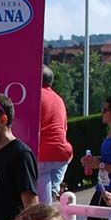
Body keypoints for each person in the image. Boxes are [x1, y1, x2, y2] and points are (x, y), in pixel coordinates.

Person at [36, 65, 73, 205]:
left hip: (44, 154)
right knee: (50, 195)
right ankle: (54, 192)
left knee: (43, 205)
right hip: (63, 155)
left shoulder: (36, 95)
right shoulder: (59, 99)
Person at [80, 95, 111, 196]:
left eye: (104, 110)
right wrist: (92, 160)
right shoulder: (110, 134)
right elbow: (109, 159)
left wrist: (100, 165)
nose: (102, 113)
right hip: (102, 188)